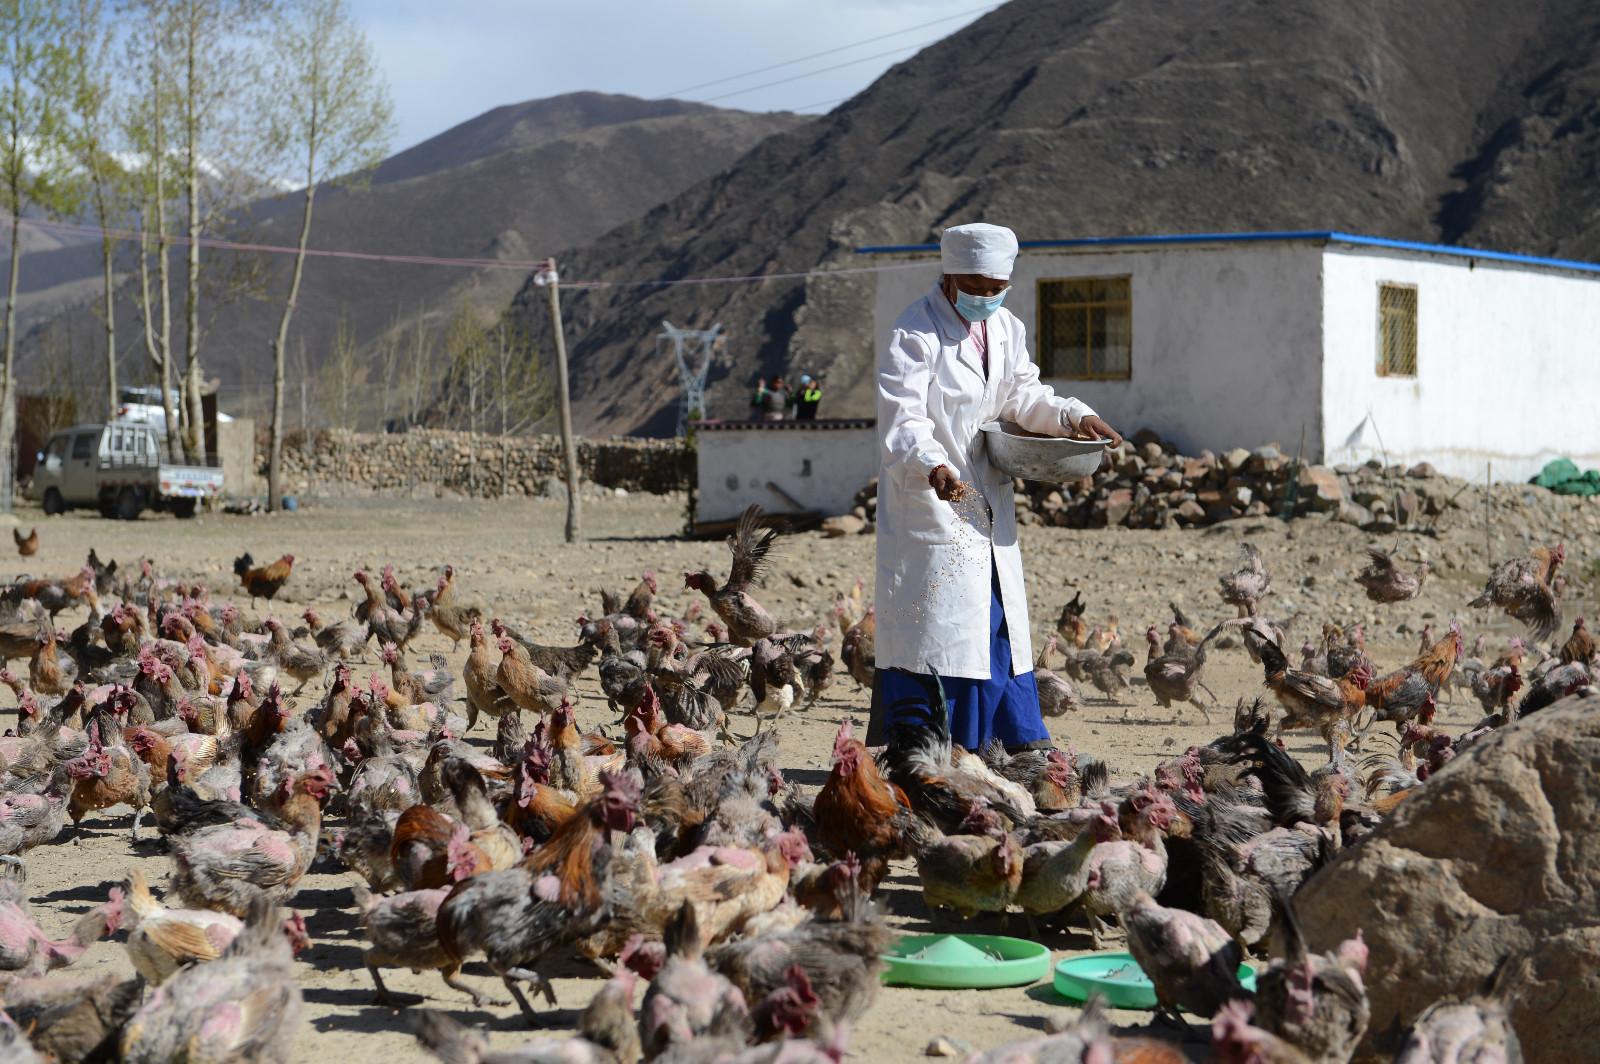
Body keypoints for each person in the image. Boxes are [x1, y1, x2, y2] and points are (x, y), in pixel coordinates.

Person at [871, 222, 1122, 753]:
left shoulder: (1005, 328)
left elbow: (1023, 397)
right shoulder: (915, 332)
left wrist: (1074, 415)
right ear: (949, 276)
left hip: (987, 496)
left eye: (996, 287)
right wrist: (933, 466)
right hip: (932, 503)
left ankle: (1009, 739)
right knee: (944, 628)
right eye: (975, 286)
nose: (986, 297)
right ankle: (940, 744)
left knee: (998, 616)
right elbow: (903, 418)